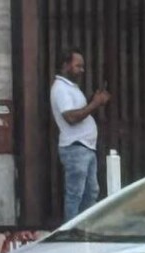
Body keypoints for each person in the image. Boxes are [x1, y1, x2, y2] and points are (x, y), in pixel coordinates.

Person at [50, 48, 111, 222]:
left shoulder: (71, 88)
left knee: (91, 192)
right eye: (78, 66)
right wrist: (95, 103)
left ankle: (84, 227)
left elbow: (79, 111)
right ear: (65, 66)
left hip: (85, 147)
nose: (82, 70)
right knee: (75, 193)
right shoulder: (61, 88)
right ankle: (72, 230)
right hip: (75, 147)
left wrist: (93, 100)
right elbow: (70, 117)